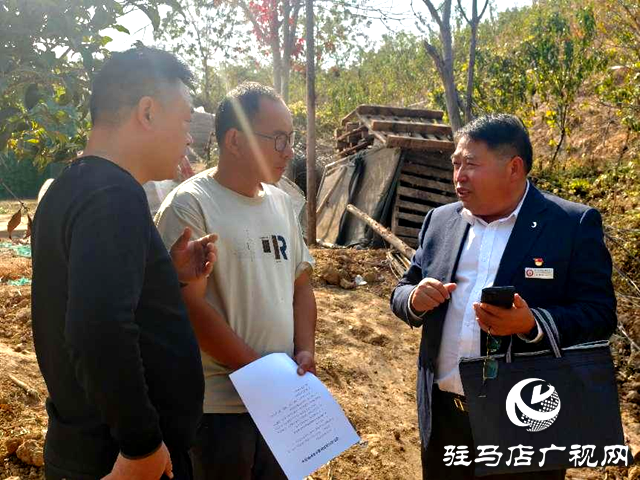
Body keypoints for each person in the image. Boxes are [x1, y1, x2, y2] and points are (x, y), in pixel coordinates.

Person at [389, 114, 616, 480]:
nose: (459, 175)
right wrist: (414, 298)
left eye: (471, 164)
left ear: (514, 168)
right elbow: (402, 288)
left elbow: (600, 314)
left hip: (524, 417)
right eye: (456, 164)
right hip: (445, 419)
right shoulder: (441, 221)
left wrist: (533, 324)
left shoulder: (569, 225)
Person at [31, 47, 217, 480]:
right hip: (121, 458)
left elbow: (82, 297)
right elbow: (98, 326)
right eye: (185, 121)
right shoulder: (113, 195)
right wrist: (141, 446)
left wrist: (163, 276)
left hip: (85, 446)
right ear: (147, 112)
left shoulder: (70, 188)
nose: (189, 138)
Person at [155, 82, 317, 480]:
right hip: (219, 409)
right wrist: (262, 372)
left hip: (281, 400)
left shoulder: (282, 203)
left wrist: (305, 350)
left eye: (290, 139)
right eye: (278, 139)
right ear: (234, 141)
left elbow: (301, 285)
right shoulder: (190, 205)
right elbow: (190, 307)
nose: (288, 151)